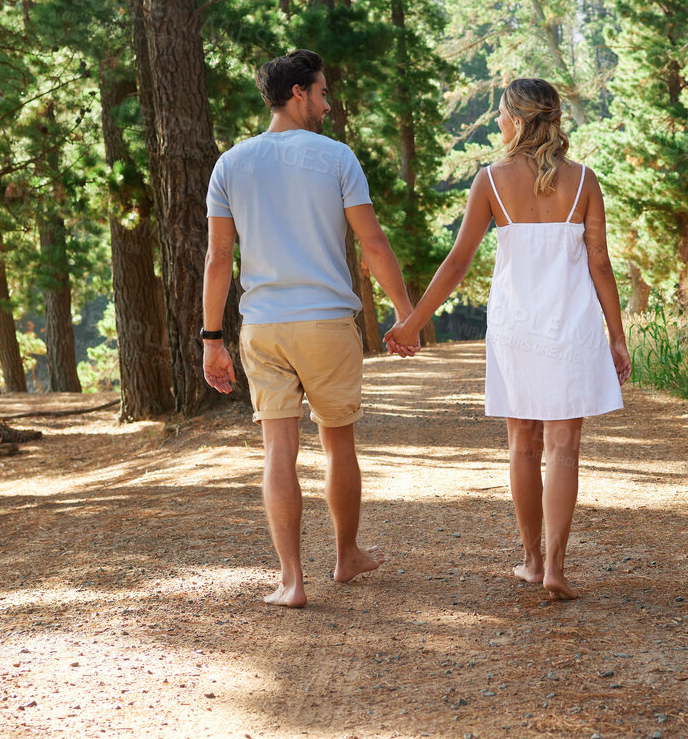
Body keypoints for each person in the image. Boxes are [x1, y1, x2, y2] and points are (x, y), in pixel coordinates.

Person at [385, 78, 630, 600]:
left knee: (523, 446)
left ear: (517, 120)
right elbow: (601, 265)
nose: (497, 123)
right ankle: (559, 568)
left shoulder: (491, 181)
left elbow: (457, 263)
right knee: (564, 448)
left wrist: (412, 322)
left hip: (517, 329)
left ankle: (533, 561)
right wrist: (617, 335)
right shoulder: (584, 181)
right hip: (572, 326)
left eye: (500, 114)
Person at [201, 49, 413, 608]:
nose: (326, 103)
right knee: (338, 444)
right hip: (324, 324)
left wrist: (212, 338)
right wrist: (403, 313)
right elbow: (372, 242)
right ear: (298, 93)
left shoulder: (231, 164)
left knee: (278, 450)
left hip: (263, 326)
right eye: (321, 92)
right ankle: (346, 557)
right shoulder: (336, 157)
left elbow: (218, 257)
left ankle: (291, 580)